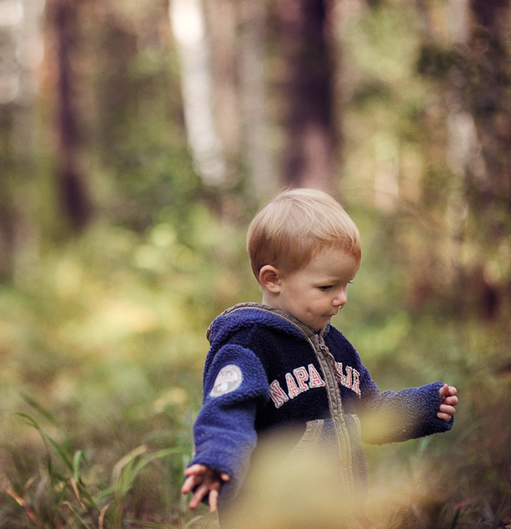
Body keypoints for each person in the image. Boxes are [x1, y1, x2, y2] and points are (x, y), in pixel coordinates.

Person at [181, 188, 458, 528]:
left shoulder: (336, 347)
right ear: (273, 279)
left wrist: (425, 407)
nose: (341, 298)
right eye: (327, 287)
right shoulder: (249, 344)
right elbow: (227, 411)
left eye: (347, 284)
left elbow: (367, 412)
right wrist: (216, 459)